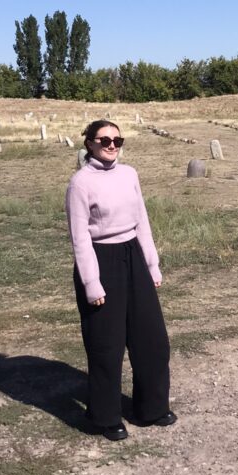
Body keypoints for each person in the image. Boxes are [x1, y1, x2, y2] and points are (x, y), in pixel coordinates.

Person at [65, 119, 175, 441]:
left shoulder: (129, 175)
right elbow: (80, 237)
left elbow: (142, 220)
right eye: (104, 140)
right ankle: (104, 417)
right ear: (89, 144)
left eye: (117, 139)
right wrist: (92, 283)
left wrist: (152, 265)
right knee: (106, 345)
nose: (112, 145)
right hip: (100, 260)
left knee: (152, 340)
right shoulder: (80, 183)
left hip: (134, 257)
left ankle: (151, 408)